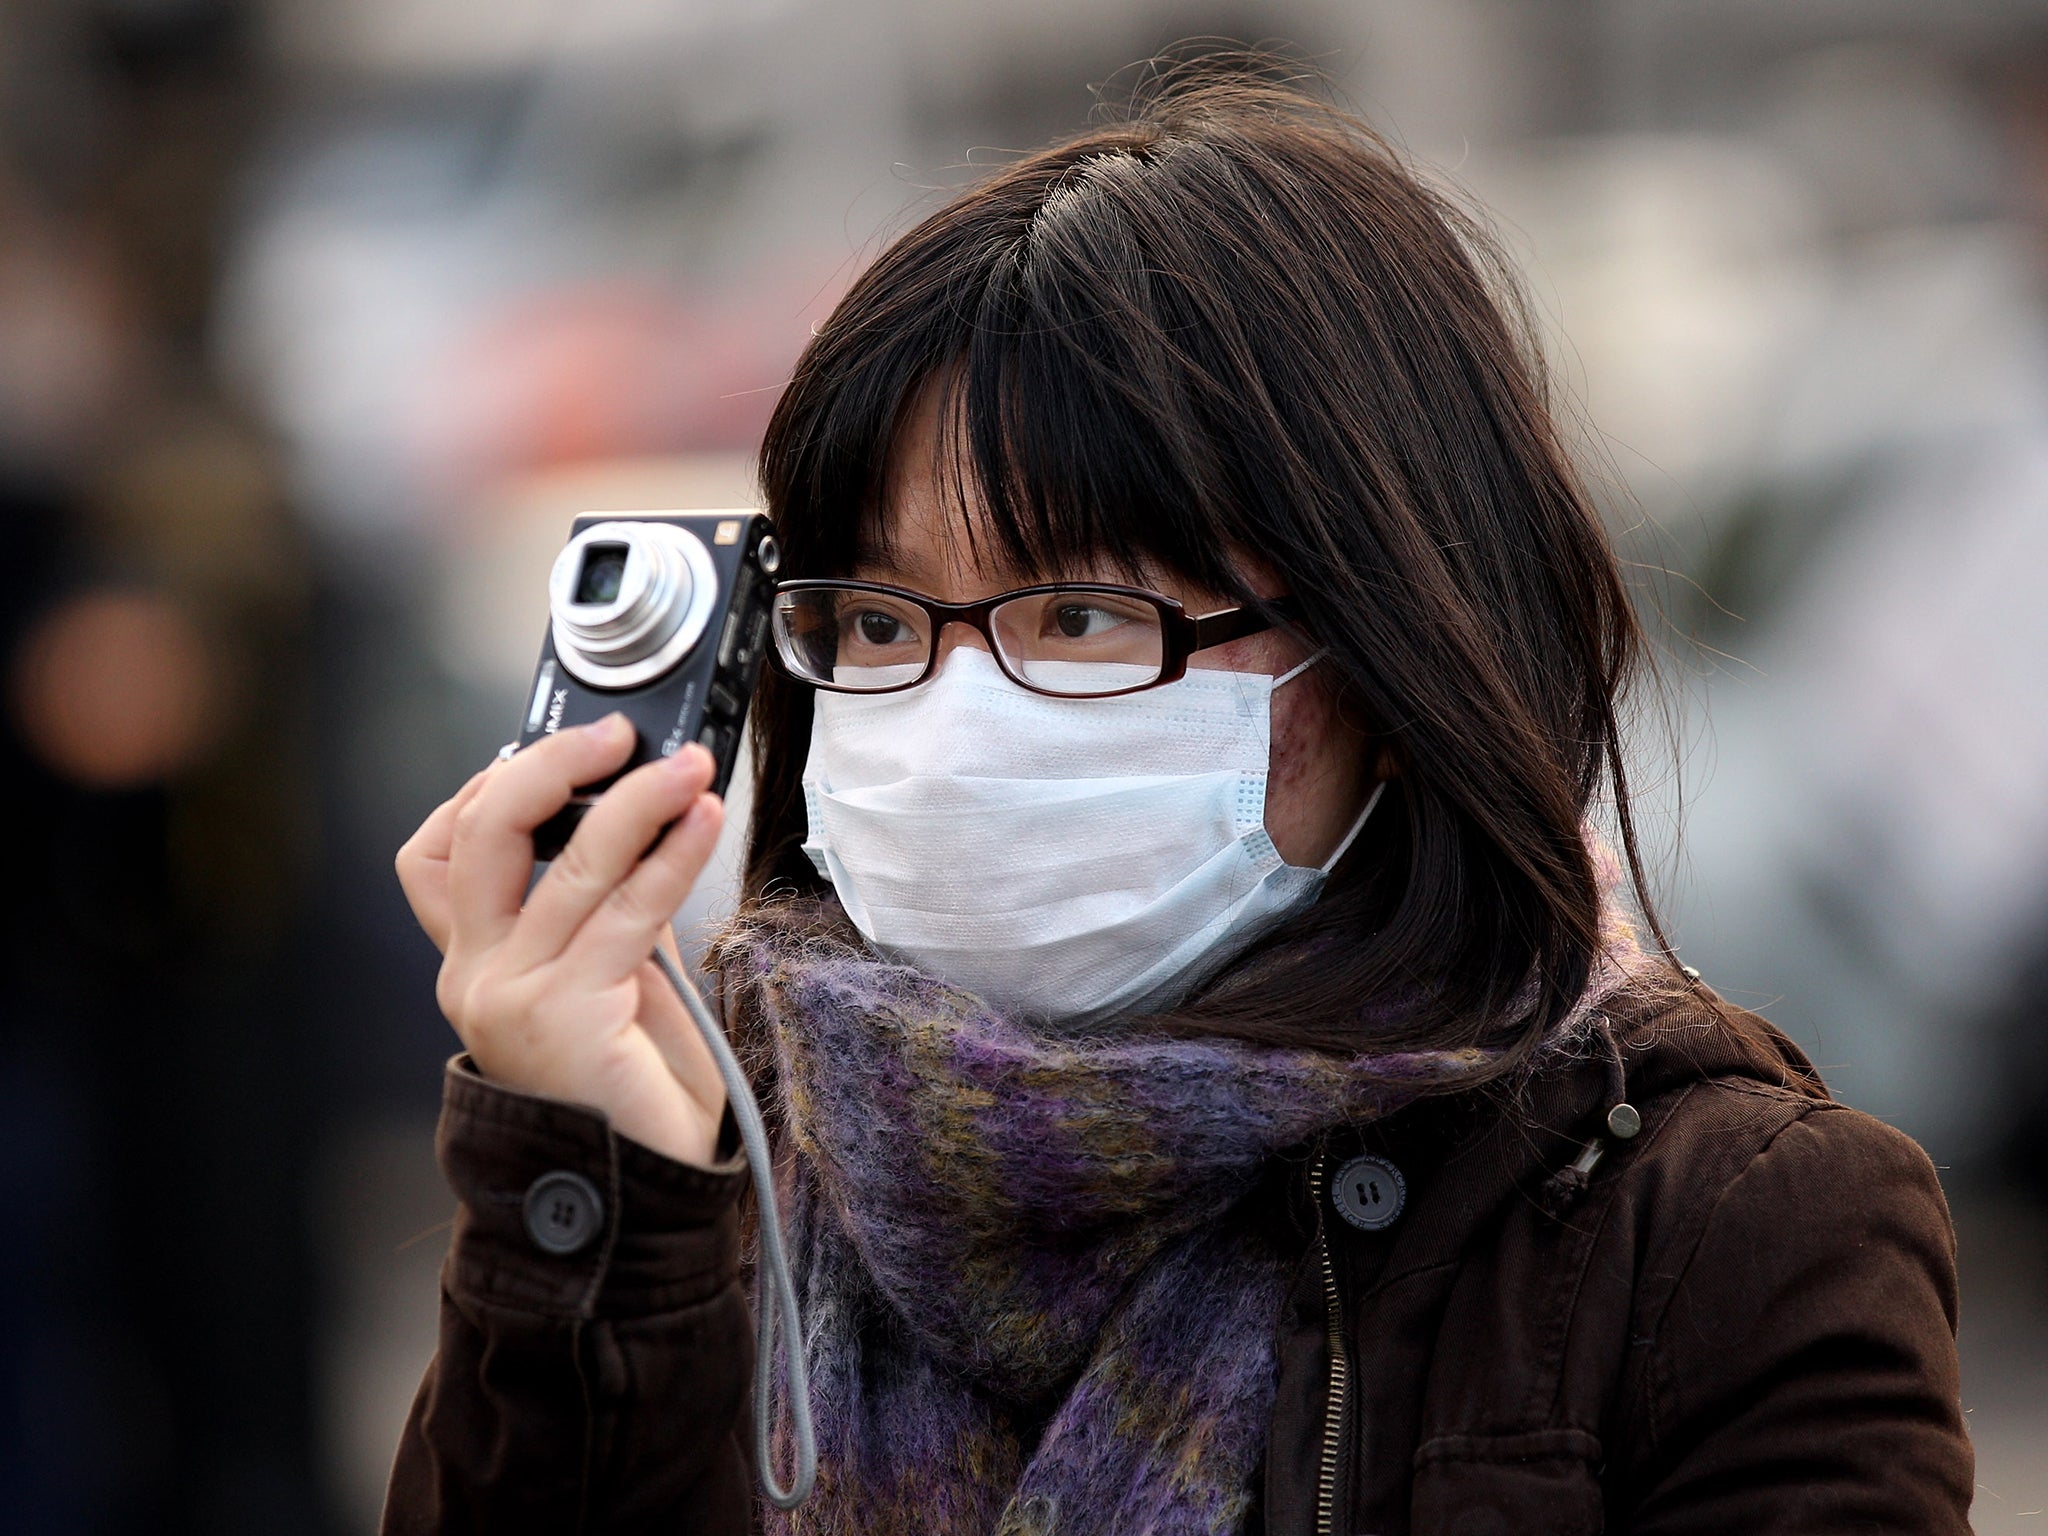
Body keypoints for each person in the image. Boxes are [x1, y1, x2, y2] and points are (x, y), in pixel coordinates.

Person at [382, 71, 1973, 1535]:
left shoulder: (1715, 1240)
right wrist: (591, 1203)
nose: (948, 718)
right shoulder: (716, 1184)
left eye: (1079, 619)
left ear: (1389, 662)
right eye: (877, 624)